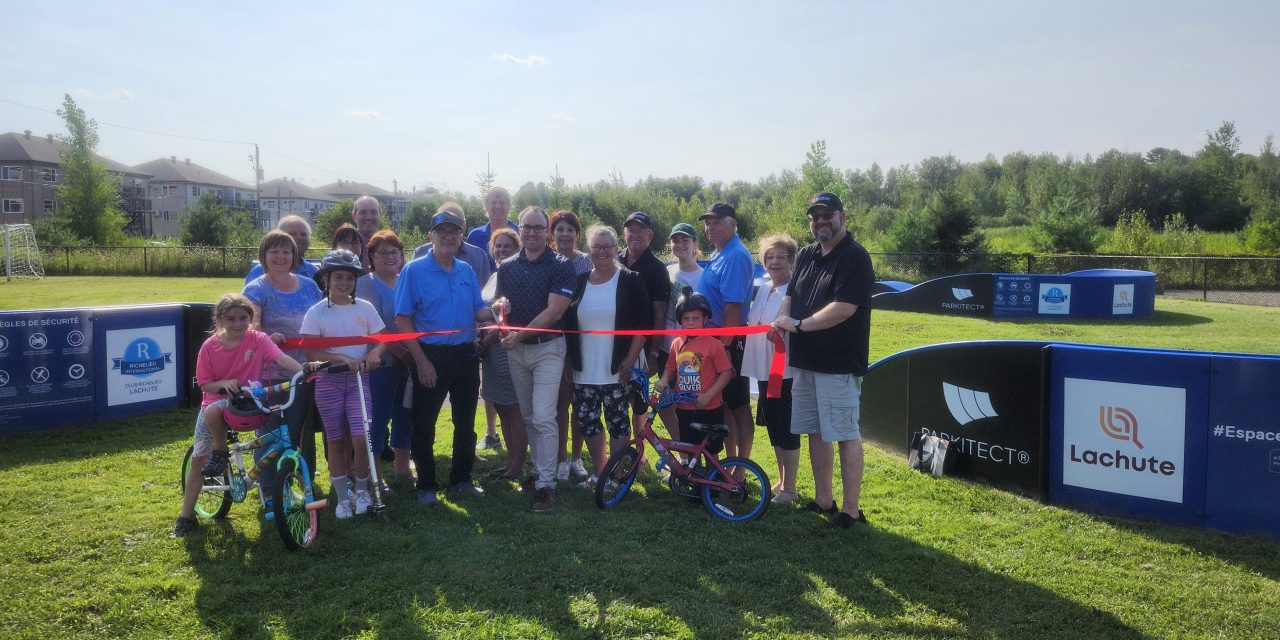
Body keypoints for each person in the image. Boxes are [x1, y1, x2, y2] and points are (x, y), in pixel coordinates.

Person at [172, 293, 319, 537]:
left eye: (243, 318)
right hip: (217, 404)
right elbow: (205, 384)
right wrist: (224, 384)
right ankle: (186, 515)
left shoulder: (258, 339)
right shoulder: (210, 347)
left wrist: (303, 370)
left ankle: (276, 488)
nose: (238, 324)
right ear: (219, 319)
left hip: (250, 403)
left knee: (277, 434)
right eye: (231, 319)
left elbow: (281, 358)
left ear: (251, 318)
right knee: (200, 456)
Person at [772, 192, 874, 529]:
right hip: (806, 361)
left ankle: (851, 510)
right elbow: (790, 297)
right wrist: (781, 322)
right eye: (814, 217)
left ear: (842, 217)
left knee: (845, 433)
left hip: (838, 363)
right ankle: (824, 500)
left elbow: (844, 308)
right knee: (815, 431)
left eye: (827, 215)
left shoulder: (855, 257)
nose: (820, 222)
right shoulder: (805, 254)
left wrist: (800, 325)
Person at [395, 211, 496, 505]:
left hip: (465, 355)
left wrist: (497, 309)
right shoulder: (414, 271)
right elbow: (402, 319)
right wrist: (421, 361)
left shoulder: (465, 270)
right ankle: (426, 485)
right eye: (442, 232)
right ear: (431, 236)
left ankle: (461, 479)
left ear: (461, 237)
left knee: (465, 422)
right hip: (430, 355)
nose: (448, 237)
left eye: (454, 232)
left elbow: (478, 310)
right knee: (424, 423)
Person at [493, 206, 575, 512]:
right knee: (528, 417)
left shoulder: (562, 265)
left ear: (547, 231)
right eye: (526, 227)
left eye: (538, 227)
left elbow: (554, 311)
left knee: (543, 416)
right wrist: (500, 307)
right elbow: (501, 303)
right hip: (518, 350)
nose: (531, 232)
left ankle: (546, 485)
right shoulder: (507, 266)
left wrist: (519, 335)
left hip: (548, 348)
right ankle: (541, 473)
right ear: (520, 229)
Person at [300, 250, 387, 519]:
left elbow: (381, 339)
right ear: (326, 279)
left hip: (359, 380)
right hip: (329, 381)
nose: (344, 283)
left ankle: (361, 491)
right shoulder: (316, 312)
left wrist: (375, 353)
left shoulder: (365, 307)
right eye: (338, 277)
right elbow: (312, 352)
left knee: (361, 438)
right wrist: (341, 358)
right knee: (336, 440)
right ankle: (342, 497)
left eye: (350, 278)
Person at [563, 226, 649, 488]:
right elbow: (568, 324)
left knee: (618, 423)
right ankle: (601, 473)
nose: (601, 252)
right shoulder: (579, 282)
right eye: (596, 247)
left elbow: (643, 327)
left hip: (617, 368)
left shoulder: (631, 280)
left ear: (615, 249)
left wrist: (629, 359)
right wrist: (569, 362)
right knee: (588, 421)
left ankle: (616, 476)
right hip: (583, 370)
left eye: (606, 246)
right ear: (588, 250)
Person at [242, 230, 324, 488]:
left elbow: (322, 319)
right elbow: (250, 325)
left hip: (305, 371)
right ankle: (269, 489)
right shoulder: (256, 288)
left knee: (299, 430)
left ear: (294, 255)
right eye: (274, 251)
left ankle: (299, 481)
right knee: (271, 431)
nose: (281, 256)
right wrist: (265, 336)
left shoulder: (310, 286)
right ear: (264, 256)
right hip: (270, 375)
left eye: (286, 251)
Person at [743, 234, 800, 504]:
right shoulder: (765, 288)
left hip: (784, 371)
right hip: (763, 369)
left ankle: (790, 488)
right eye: (770, 257)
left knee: (786, 427)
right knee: (774, 426)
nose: (775, 262)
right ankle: (781, 479)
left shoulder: (796, 290)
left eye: (781, 257)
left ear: (791, 259)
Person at [697, 202, 755, 462]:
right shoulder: (720, 253)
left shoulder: (735, 256)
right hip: (716, 340)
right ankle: (730, 465)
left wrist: (725, 347)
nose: (710, 228)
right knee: (726, 406)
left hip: (729, 340)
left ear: (733, 225)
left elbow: (733, 307)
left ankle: (741, 468)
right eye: (707, 223)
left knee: (739, 406)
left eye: (717, 222)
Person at [356, 230, 414, 485]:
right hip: (380, 365)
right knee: (378, 420)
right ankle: (375, 475)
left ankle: (403, 467)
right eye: (382, 253)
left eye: (394, 252)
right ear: (371, 257)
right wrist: (402, 353)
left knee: (405, 415)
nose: (389, 257)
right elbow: (374, 325)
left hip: (409, 364)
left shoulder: (405, 280)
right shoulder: (366, 283)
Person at [654, 287, 733, 456]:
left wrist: (709, 395)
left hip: (709, 407)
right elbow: (670, 368)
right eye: (686, 318)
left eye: (696, 318)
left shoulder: (714, 345)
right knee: (690, 451)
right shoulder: (676, 343)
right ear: (680, 320)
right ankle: (693, 472)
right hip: (685, 408)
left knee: (711, 453)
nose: (690, 323)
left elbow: (726, 373)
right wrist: (664, 380)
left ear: (705, 319)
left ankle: (713, 473)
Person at [477, 228, 528, 480]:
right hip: (491, 353)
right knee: (501, 406)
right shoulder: (494, 276)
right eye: (498, 246)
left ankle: (518, 465)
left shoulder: (516, 275)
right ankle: (511, 462)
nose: (502, 250)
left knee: (513, 408)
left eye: (508, 246)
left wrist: (486, 340)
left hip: (507, 348)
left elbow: (509, 318)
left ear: (517, 249)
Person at [550, 209, 592, 482]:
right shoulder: (548, 260)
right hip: (555, 337)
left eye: (570, 229)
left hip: (584, 339)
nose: (565, 234)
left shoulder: (587, 262)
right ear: (552, 233)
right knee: (560, 401)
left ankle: (577, 458)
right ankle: (561, 458)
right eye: (560, 229)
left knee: (580, 402)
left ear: (577, 233)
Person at [659, 222, 704, 442]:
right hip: (666, 349)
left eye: (685, 240)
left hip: (692, 353)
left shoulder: (704, 276)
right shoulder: (667, 272)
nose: (680, 244)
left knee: (690, 406)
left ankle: (694, 453)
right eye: (675, 240)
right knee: (665, 406)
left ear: (695, 244)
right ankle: (682, 452)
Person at [413, 201, 492, 287]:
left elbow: (485, 292)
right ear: (431, 236)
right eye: (442, 230)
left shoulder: (478, 257)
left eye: (454, 229)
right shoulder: (420, 255)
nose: (448, 237)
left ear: (465, 223)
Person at [244, 215, 318, 282]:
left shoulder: (314, 272)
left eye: (303, 234)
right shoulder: (259, 271)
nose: (299, 237)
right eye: (293, 234)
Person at [467, 187, 518, 258]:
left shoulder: (520, 233)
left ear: (509, 207)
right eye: (493, 202)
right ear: (486, 206)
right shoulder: (475, 236)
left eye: (502, 202)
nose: (498, 206)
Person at [352, 196, 383, 269]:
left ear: (381, 215)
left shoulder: (391, 246)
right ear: (354, 216)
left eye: (373, 212)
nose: (369, 217)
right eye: (363, 212)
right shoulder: (345, 246)